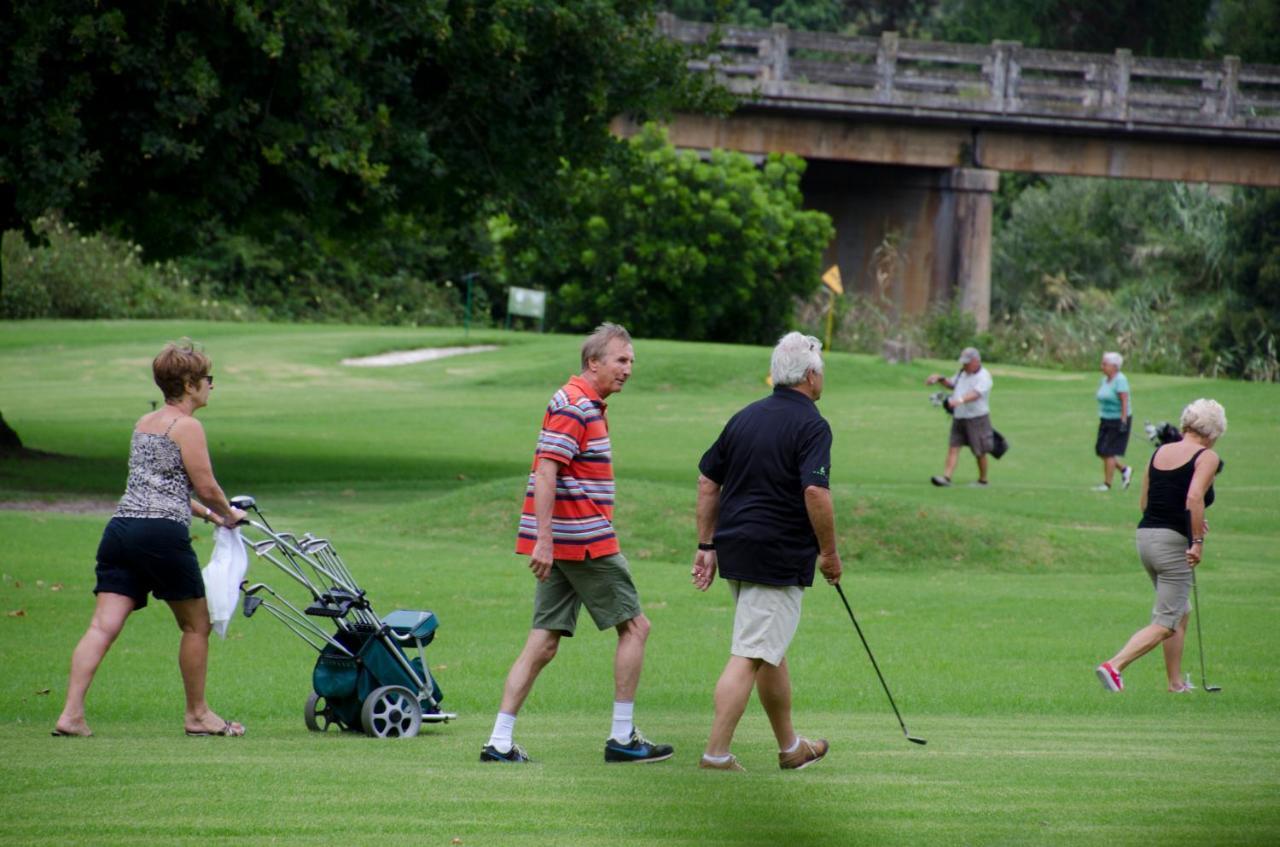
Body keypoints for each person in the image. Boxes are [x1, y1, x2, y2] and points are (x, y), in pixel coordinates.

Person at [481, 323, 672, 764]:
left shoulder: (581, 401)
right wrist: (543, 540)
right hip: (584, 540)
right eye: (621, 361)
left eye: (631, 362)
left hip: (567, 542)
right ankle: (622, 738)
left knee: (543, 641)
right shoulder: (576, 405)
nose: (628, 370)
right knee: (636, 628)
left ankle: (499, 741)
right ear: (594, 362)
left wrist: (547, 540)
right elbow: (546, 470)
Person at [53, 340, 248, 738]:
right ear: (190, 383)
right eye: (208, 379)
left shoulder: (145, 423)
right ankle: (197, 715)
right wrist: (229, 513)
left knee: (102, 626)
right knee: (196, 626)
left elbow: (159, 487)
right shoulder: (188, 426)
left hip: (121, 531)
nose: (212, 385)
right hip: (160, 536)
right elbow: (206, 485)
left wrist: (211, 517)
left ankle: (71, 715)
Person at [691, 332, 843, 772]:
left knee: (767, 649)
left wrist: (706, 544)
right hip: (777, 554)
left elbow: (707, 481)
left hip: (738, 549)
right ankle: (715, 754)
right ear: (812, 376)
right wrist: (829, 553)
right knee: (751, 652)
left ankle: (791, 746)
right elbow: (815, 490)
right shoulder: (813, 424)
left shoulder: (745, 416)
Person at [1096, 398, 1226, 694]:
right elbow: (1194, 498)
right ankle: (1114, 666)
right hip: (1172, 545)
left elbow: (1145, 502)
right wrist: (1197, 541)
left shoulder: (1159, 452)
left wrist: (1192, 521)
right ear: (1214, 431)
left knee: (1181, 610)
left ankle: (1175, 683)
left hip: (1146, 539)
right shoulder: (1206, 457)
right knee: (1166, 621)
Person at [925, 346, 994, 487]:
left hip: (977, 418)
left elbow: (976, 394)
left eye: (967, 362)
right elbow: (952, 384)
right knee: (953, 446)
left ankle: (983, 480)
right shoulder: (963, 372)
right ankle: (946, 478)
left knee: (979, 450)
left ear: (976, 361)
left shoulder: (984, 376)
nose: (964, 365)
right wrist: (939, 379)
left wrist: (959, 400)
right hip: (960, 416)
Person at [1093, 352, 1134, 491]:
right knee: (1100, 450)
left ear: (1114, 366)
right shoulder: (1104, 380)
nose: (1102, 366)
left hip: (1118, 420)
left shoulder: (1120, 380)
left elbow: (1124, 400)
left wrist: (1123, 420)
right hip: (1105, 418)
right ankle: (1124, 470)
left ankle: (1107, 484)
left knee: (1109, 451)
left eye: (1105, 364)